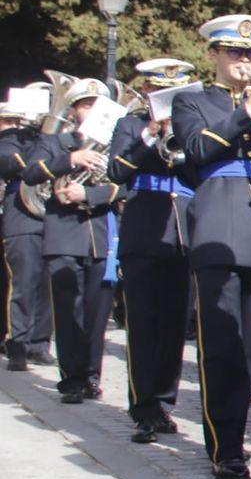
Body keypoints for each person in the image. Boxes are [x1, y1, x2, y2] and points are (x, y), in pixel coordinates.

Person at [171, 17, 251, 479]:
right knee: (221, 345)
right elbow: (197, 148)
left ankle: (236, 433)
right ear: (214, 55)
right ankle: (226, 446)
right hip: (219, 228)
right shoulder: (192, 101)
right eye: (234, 53)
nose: (244, 62)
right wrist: (245, 112)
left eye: (250, 54)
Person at [106, 60, 200, 442]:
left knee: (175, 324)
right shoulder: (130, 126)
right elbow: (117, 171)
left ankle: (164, 402)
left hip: (181, 235)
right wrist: (149, 136)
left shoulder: (190, 126)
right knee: (143, 323)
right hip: (144, 234)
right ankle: (144, 406)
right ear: (148, 92)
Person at [23, 79, 125, 405]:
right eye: (85, 104)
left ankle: (92, 375)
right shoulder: (55, 142)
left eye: (97, 104)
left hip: (101, 235)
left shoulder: (116, 145)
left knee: (97, 315)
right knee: (67, 312)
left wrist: (89, 193)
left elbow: (124, 186)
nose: (91, 110)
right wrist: (72, 160)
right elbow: (30, 174)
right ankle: (72, 378)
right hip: (63, 236)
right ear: (74, 110)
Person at [0, 87, 54, 371]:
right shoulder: (8, 141)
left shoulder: (44, 139)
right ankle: (17, 343)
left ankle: (39, 343)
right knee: (23, 281)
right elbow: (14, 163)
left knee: (47, 283)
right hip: (21, 217)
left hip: (48, 214)